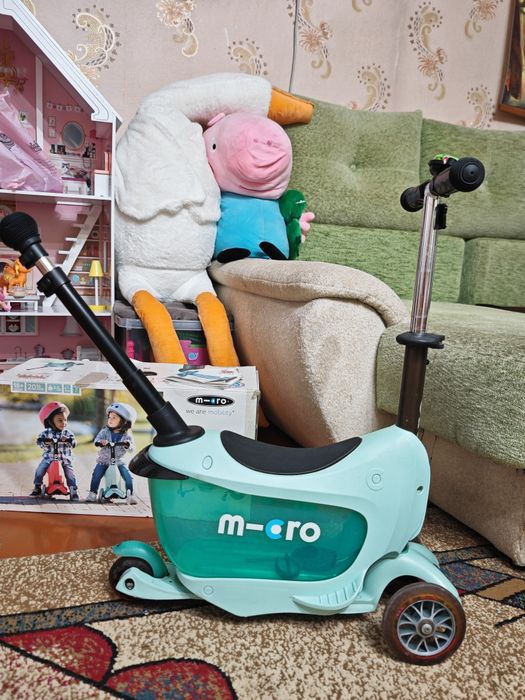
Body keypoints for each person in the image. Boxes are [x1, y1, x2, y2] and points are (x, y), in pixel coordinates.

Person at [86, 402, 137, 503]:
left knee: (128, 476)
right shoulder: (105, 431)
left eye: (114, 417)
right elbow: (96, 440)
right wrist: (101, 442)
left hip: (119, 461)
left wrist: (127, 445)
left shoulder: (127, 435)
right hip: (104, 460)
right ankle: (92, 493)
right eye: (109, 417)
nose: (110, 420)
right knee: (96, 475)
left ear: (124, 421)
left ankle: (130, 495)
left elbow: (132, 448)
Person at [32, 401, 79, 500]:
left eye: (65, 420)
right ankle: (37, 486)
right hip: (49, 458)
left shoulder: (67, 433)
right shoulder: (46, 433)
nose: (63, 423)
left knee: (70, 473)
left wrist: (69, 440)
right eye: (60, 420)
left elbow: (74, 442)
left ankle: (73, 489)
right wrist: (43, 441)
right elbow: (39, 440)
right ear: (50, 421)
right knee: (40, 469)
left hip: (65, 459)